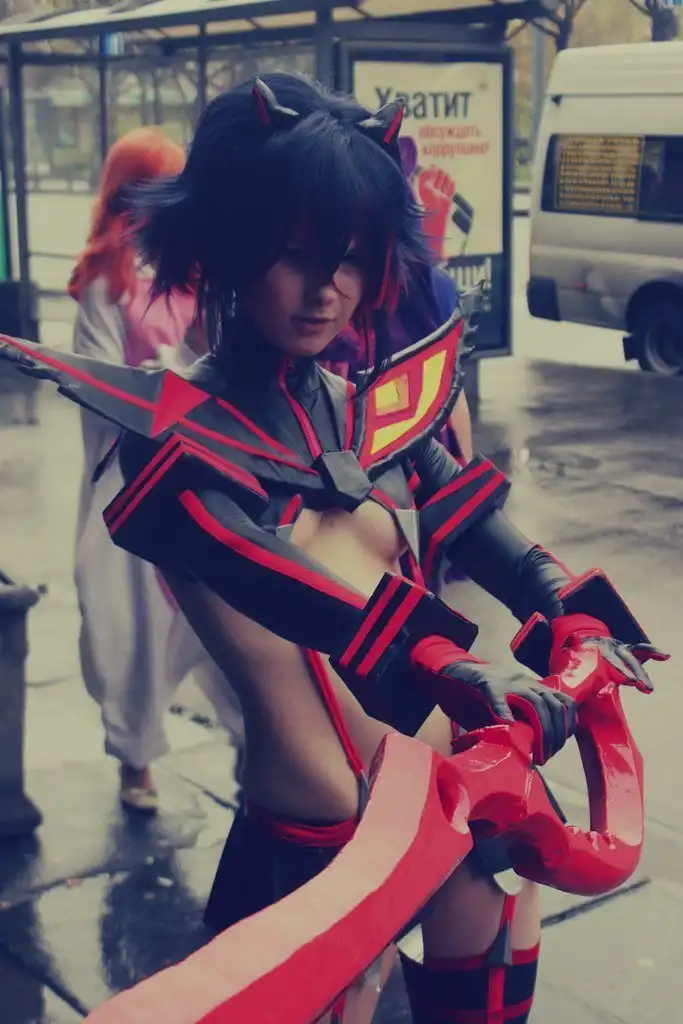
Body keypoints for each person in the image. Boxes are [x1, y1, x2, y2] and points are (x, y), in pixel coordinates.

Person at [1, 75, 654, 1023]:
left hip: (451, 791)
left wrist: (563, 600)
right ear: (227, 244)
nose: (327, 289)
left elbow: (477, 522)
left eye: (349, 258)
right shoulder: (174, 438)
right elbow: (281, 579)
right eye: (294, 254)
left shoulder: (364, 410)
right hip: (318, 837)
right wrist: (449, 662)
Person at [68, 127, 244, 813]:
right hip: (133, 485)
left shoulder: (191, 266)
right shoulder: (104, 282)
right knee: (134, 632)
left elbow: (217, 354)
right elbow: (97, 385)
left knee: (232, 622)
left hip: (200, 477)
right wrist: (165, 386)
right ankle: (135, 760)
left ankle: (258, 746)